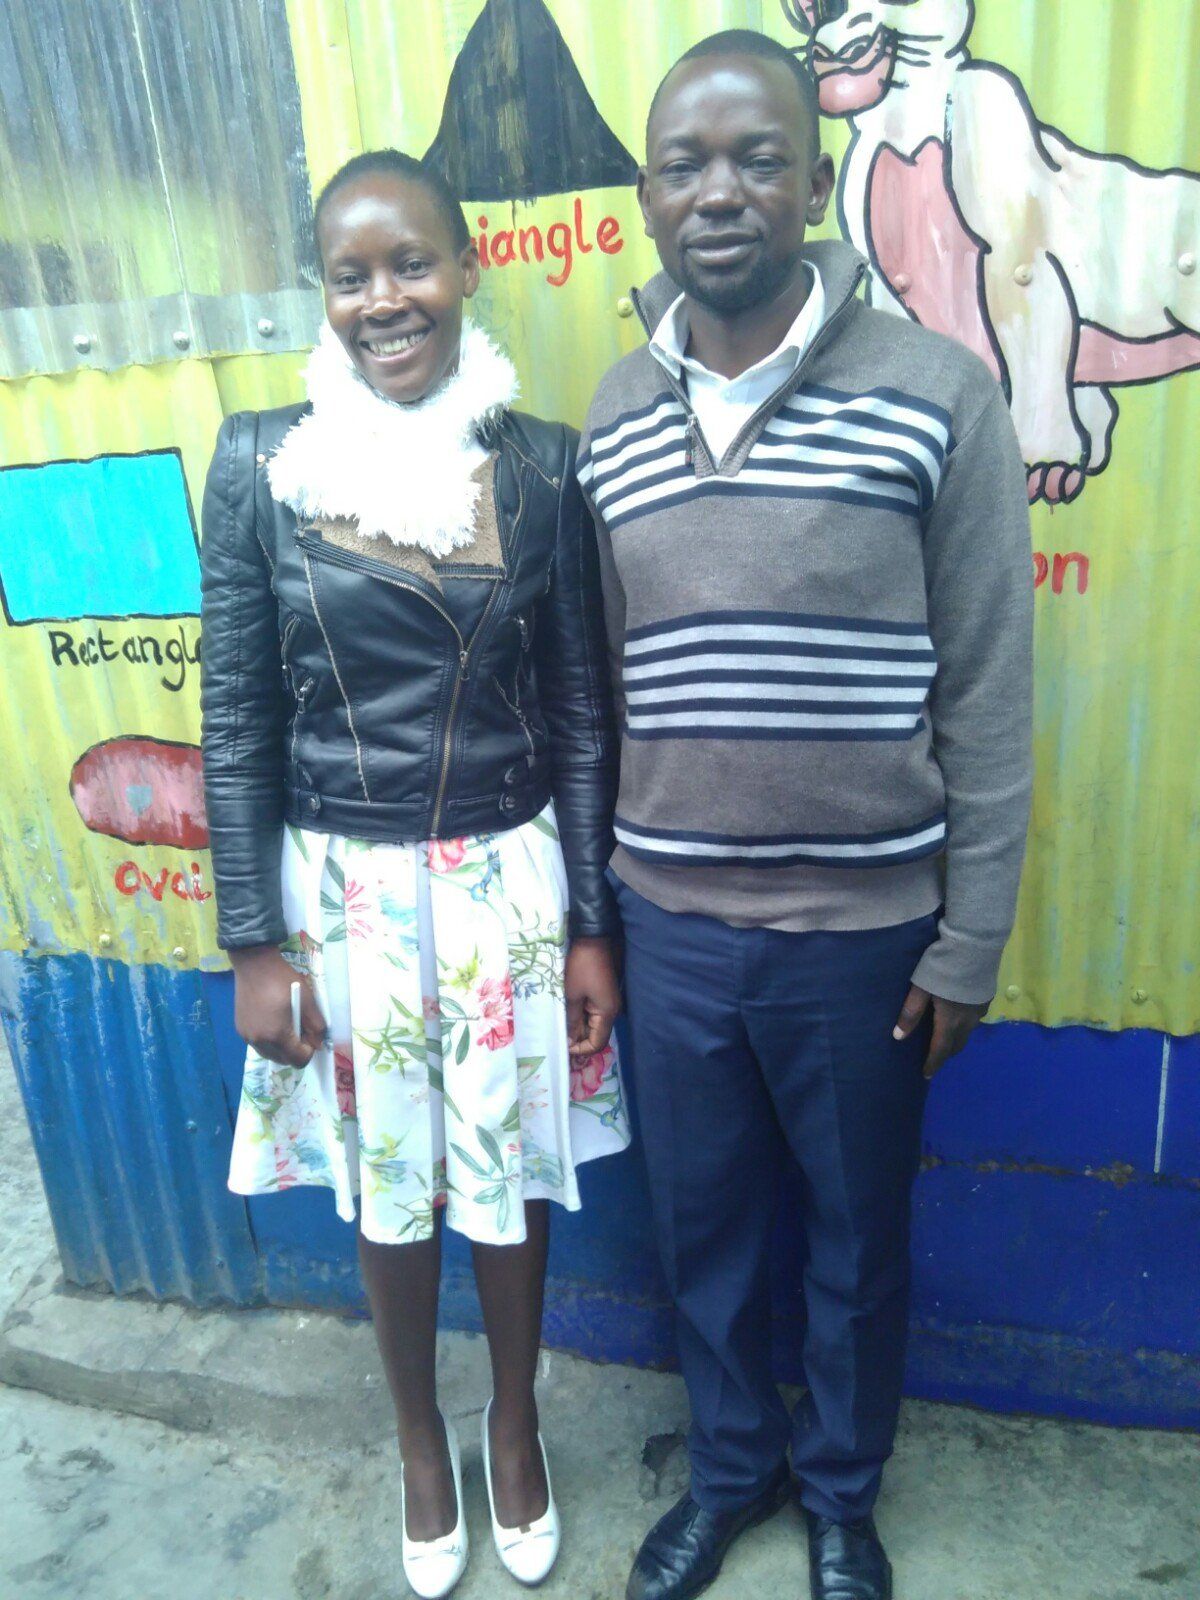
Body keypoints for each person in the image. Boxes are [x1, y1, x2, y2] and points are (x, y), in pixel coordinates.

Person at [579, 33, 1033, 1600]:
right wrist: (606, 919)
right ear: (646, 199)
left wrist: (969, 938)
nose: (721, 192)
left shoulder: (937, 395)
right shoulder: (612, 420)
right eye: (686, 163)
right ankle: (729, 1472)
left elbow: (984, 682)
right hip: (678, 932)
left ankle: (840, 1493)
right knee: (701, 1239)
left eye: (758, 156)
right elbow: (609, 691)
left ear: (814, 176)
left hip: (865, 941)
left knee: (853, 1243)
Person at [199, 148, 629, 1599]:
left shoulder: (539, 463)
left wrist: (594, 923)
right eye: (352, 274)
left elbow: (579, 710)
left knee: (506, 1172)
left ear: (467, 267)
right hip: (347, 899)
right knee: (391, 1185)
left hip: (509, 885)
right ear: (323, 295)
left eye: (413, 264)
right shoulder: (262, 464)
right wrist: (254, 939)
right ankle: (419, 1441)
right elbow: (240, 713)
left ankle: (513, 1425)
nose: (387, 299)